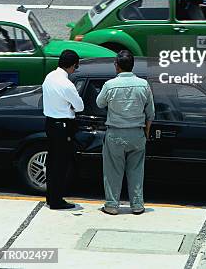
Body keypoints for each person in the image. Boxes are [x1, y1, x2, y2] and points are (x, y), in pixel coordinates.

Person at [96, 50, 155, 216]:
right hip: (137, 134)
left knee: (113, 171)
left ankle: (112, 205)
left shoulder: (110, 85)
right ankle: (137, 205)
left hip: (115, 134)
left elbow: (99, 103)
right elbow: (150, 114)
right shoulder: (144, 85)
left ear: (117, 66)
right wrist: (146, 133)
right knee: (136, 171)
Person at [42, 50, 83, 210]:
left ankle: (50, 197)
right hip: (62, 127)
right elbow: (80, 106)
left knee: (52, 163)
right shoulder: (67, 85)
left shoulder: (49, 77)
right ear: (73, 66)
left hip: (50, 124)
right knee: (60, 164)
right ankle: (57, 200)